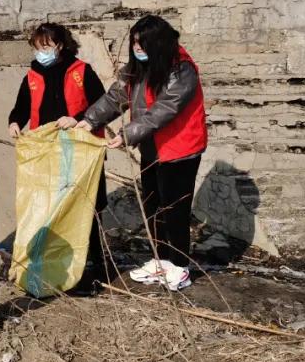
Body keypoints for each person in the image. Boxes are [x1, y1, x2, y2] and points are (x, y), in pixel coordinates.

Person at [63, 15, 207, 273]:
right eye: (134, 43)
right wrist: (89, 120)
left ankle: (179, 266)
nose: (137, 48)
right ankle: (161, 261)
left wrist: (128, 134)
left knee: (173, 209)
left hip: (179, 149)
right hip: (152, 147)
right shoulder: (138, 68)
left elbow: (164, 109)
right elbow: (115, 97)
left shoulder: (181, 69)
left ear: (158, 44)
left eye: (142, 43)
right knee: (153, 206)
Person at [7, 22, 110, 292]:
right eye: (38, 47)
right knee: (51, 209)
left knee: (88, 208)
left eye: (47, 46)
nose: (42, 52)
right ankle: (53, 266)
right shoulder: (32, 76)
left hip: (80, 153)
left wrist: (76, 119)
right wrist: (15, 122)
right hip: (48, 156)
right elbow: (21, 108)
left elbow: (102, 104)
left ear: (60, 45)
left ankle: (96, 266)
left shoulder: (81, 71)